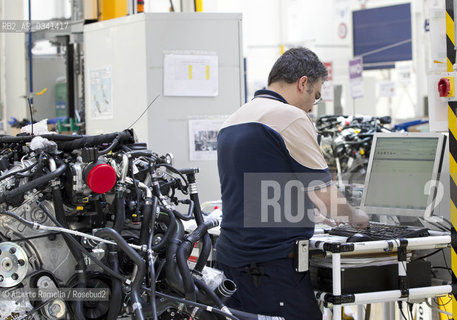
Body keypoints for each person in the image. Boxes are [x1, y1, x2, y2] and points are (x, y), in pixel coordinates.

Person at [215, 47, 369, 320]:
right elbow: (328, 200)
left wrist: (307, 211)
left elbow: (258, 193)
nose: (312, 107)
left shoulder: (234, 118)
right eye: (317, 95)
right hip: (271, 269)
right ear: (303, 83)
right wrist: (357, 216)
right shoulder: (290, 117)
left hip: (231, 262)